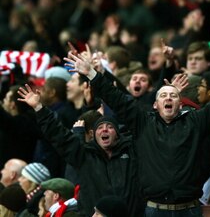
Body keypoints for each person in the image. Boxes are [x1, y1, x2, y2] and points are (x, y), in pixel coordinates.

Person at [61, 51, 210, 217]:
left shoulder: (196, 120)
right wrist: (91, 73)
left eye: (173, 95)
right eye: (163, 95)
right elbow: (115, 97)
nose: (168, 98)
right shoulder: (143, 122)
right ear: (155, 104)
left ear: (180, 102)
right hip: (154, 210)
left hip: (190, 210)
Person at [16, 87, 144, 217]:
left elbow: (138, 118)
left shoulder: (132, 151)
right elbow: (58, 134)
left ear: (117, 135)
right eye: (100, 127)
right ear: (93, 135)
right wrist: (39, 108)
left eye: (110, 127)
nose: (104, 130)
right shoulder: (85, 155)